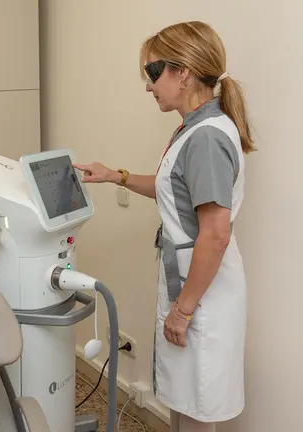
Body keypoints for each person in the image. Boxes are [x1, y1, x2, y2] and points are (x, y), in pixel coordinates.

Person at [74, 21, 254, 432]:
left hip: (201, 295)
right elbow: (172, 189)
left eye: (153, 73)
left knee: (195, 410)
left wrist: (183, 310)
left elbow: (216, 234)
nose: (148, 86)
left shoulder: (206, 137)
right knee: (184, 405)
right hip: (193, 287)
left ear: (183, 72)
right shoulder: (195, 128)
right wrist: (115, 176)